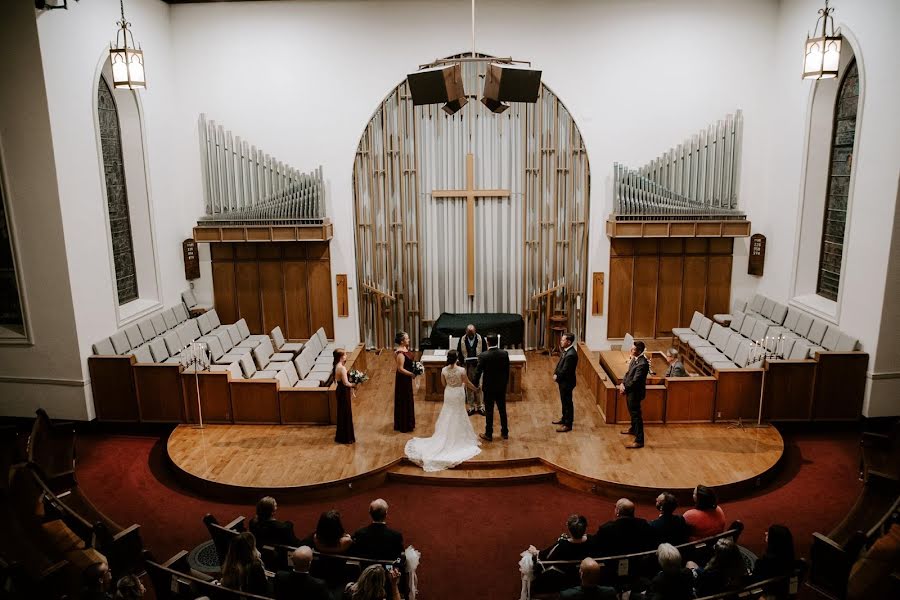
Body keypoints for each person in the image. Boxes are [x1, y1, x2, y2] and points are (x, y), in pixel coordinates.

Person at [404, 350, 481, 471]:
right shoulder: (461, 370)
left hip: (449, 393)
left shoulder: (444, 370)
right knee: (459, 413)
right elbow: (466, 382)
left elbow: (444, 384)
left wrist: (452, 386)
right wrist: (476, 389)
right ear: (456, 359)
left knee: (449, 413)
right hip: (458, 393)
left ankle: (446, 434)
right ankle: (458, 437)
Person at [473, 335, 510, 442]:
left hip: (488, 388)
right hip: (500, 387)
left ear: (488, 342)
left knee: (489, 411)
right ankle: (505, 432)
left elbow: (478, 371)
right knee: (502, 410)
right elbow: (507, 371)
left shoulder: (484, 356)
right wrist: (505, 384)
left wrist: (475, 384)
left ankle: (489, 434)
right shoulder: (504, 354)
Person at [751, 524, 797, 599]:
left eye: (769, 534)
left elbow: (754, 582)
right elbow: (793, 590)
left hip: (766, 594)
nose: (766, 533)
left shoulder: (763, 563)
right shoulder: (792, 562)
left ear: (773, 541)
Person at [619, 340, 649, 448]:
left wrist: (625, 388)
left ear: (639, 351)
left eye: (633, 349)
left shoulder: (643, 364)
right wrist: (622, 383)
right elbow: (628, 373)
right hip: (630, 391)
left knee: (636, 415)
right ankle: (633, 429)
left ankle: (639, 440)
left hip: (635, 393)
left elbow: (636, 381)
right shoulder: (634, 359)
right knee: (632, 413)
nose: (631, 350)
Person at [220, 531, 268, 596]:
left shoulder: (230, 565)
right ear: (250, 550)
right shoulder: (256, 566)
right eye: (254, 546)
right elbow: (263, 589)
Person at [457, 324, 487, 415]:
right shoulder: (462, 339)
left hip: (478, 366)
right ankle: (471, 406)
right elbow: (459, 352)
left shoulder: (480, 338)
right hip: (468, 366)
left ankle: (480, 406)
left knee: (480, 385)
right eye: (469, 332)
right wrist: (463, 361)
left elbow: (485, 351)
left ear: (475, 331)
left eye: (472, 332)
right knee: (469, 386)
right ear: (466, 332)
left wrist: (481, 360)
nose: (470, 334)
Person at [552, 332, 579, 432]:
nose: (561, 341)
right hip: (563, 382)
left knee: (568, 403)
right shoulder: (566, 351)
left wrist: (557, 377)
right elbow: (560, 364)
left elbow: (565, 370)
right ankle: (564, 418)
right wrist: (555, 372)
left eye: (563, 340)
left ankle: (568, 424)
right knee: (564, 401)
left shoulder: (571, 354)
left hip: (567, 383)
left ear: (568, 342)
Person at [393, 331, 416, 432]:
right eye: (407, 339)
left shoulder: (405, 349)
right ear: (402, 341)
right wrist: (411, 374)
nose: (409, 340)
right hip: (403, 379)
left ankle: (408, 422)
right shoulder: (400, 354)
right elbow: (400, 369)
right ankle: (404, 424)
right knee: (404, 399)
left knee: (408, 398)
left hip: (406, 378)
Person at [333, 348, 357, 444]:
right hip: (343, 391)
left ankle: (341, 435)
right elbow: (346, 383)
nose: (346, 356)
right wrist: (354, 385)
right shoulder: (341, 368)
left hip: (340, 390)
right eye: (345, 355)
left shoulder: (336, 366)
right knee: (346, 412)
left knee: (342, 412)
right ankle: (346, 437)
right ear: (341, 357)